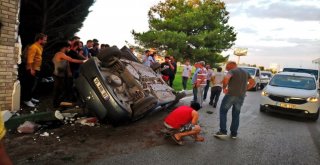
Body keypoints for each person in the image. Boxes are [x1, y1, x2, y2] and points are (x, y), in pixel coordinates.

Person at [214, 61, 255, 139]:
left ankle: (223, 131)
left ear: (232, 65)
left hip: (231, 95)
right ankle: (234, 134)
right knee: (236, 114)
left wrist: (224, 88)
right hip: (241, 96)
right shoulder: (246, 72)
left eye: (227, 66)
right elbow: (253, 82)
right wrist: (245, 89)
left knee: (223, 111)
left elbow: (226, 78)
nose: (226, 68)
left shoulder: (232, 71)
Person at [52, 42, 86, 108]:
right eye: (68, 47)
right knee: (57, 90)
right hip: (57, 76)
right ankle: (55, 104)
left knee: (63, 89)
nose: (69, 49)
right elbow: (71, 60)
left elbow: (67, 64)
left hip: (62, 75)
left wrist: (69, 72)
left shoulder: (64, 55)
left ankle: (60, 103)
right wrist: (83, 61)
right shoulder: (60, 54)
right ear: (65, 47)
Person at [21, 33, 47, 107]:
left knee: (33, 85)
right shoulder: (33, 47)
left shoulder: (40, 47)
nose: (46, 41)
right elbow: (30, 60)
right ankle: (26, 100)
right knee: (28, 85)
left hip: (37, 68)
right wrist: (31, 69)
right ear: (40, 40)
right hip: (31, 69)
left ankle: (30, 97)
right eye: (44, 40)